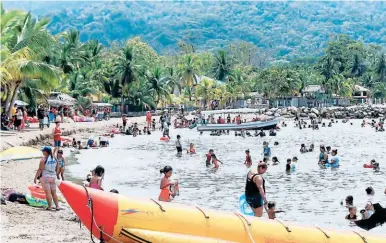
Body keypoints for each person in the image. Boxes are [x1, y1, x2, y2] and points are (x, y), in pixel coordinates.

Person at [33, 146, 60, 210]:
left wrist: (35, 177)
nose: (42, 152)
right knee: (54, 193)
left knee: (48, 193)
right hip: (53, 177)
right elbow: (58, 167)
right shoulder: (54, 158)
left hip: (46, 177)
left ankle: (50, 207)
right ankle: (57, 206)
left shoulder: (43, 159)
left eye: (43, 151)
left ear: (46, 152)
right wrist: (55, 174)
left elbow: (40, 169)